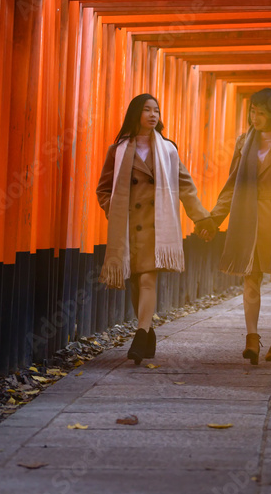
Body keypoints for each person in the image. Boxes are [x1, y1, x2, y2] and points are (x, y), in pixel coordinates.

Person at [96, 93, 212, 364]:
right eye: (147, 109)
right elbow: (103, 188)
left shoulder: (169, 150)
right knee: (137, 284)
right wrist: (111, 210)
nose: (152, 114)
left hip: (156, 229)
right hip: (127, 230)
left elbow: (186, 187)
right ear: (135, 114)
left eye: (156, 110)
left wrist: (202, 218)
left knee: (148, 279)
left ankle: (139, 335)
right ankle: (147, 333)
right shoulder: (119, 150)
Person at [202, 88, 271, 364]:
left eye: (262, 112)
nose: (256, 117)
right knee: (250, 277)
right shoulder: (244, 142)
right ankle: (251, 337)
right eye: (253, 111)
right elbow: (232, 185)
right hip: (248, 216)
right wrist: (214, 218)